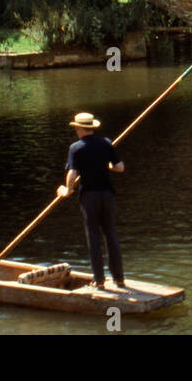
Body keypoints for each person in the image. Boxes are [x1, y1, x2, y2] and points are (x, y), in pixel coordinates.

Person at [56, 112, 125, 290]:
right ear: (92, 127)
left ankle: (99, 280)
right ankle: (119, 279)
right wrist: (105, 165)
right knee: (111, 234)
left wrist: (67, 190)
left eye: (76, 128)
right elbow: (120, 167)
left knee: (93, 236)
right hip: (107, 195)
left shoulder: (76, 148)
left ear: (79, 128)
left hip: (89, 196)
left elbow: (72, 173)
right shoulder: (105, 144)